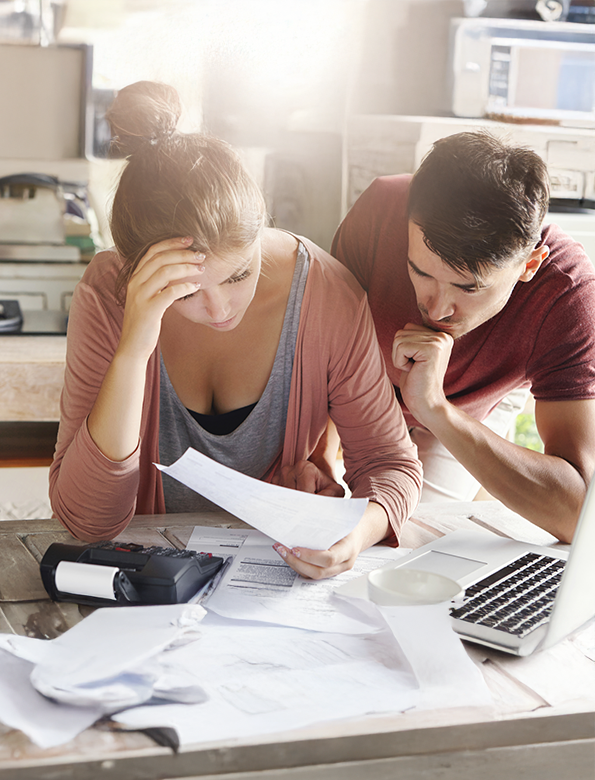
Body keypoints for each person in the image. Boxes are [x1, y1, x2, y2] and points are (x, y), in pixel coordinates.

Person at [49, 81, 422, 580]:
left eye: (239, 274)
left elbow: (390, 463)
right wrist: (133, 349)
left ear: (258, 232)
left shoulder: (327, 294)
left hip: (272, 579)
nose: (220, 309)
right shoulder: (108, 293)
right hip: (144, 585)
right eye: (185, 292)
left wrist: (354, 535)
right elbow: (87, 520)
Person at [331, 130, 595, 543]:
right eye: (420, 272)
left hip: (479, 399)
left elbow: (578, 516)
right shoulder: (382, 209)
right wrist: (316, 460)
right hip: (367, 383)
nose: (436, 311)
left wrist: (435, 408)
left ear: (529, 265)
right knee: (332, 513)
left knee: (405, 532)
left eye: (468, 287)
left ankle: (484, 478)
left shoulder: (569, 293)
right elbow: (325, 351)